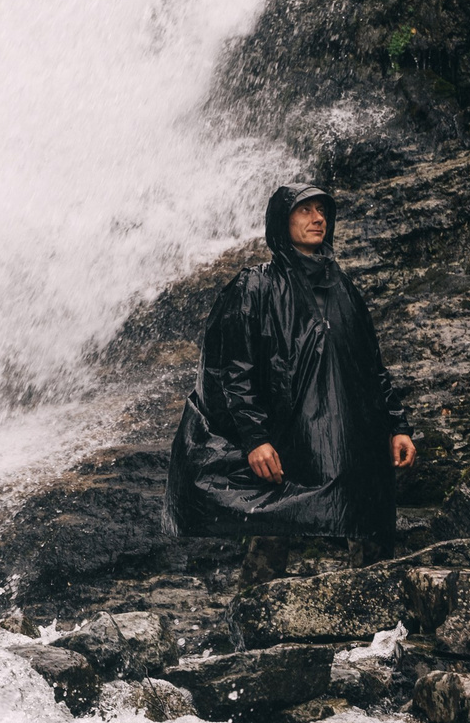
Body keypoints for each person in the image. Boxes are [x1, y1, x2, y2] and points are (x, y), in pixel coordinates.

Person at [166, 182, 417, 587]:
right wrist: (254, 438)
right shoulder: (256, 287)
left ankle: (378, 628)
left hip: (349, 437)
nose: (318, 218)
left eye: (322, 211)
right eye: (305, 211)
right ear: (282, 221)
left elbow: (371, 367)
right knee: (271, 533)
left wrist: (398, 425)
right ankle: (250, 629)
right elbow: (235, 370)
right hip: (284, 436)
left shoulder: (344, 289)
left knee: (368, 535)